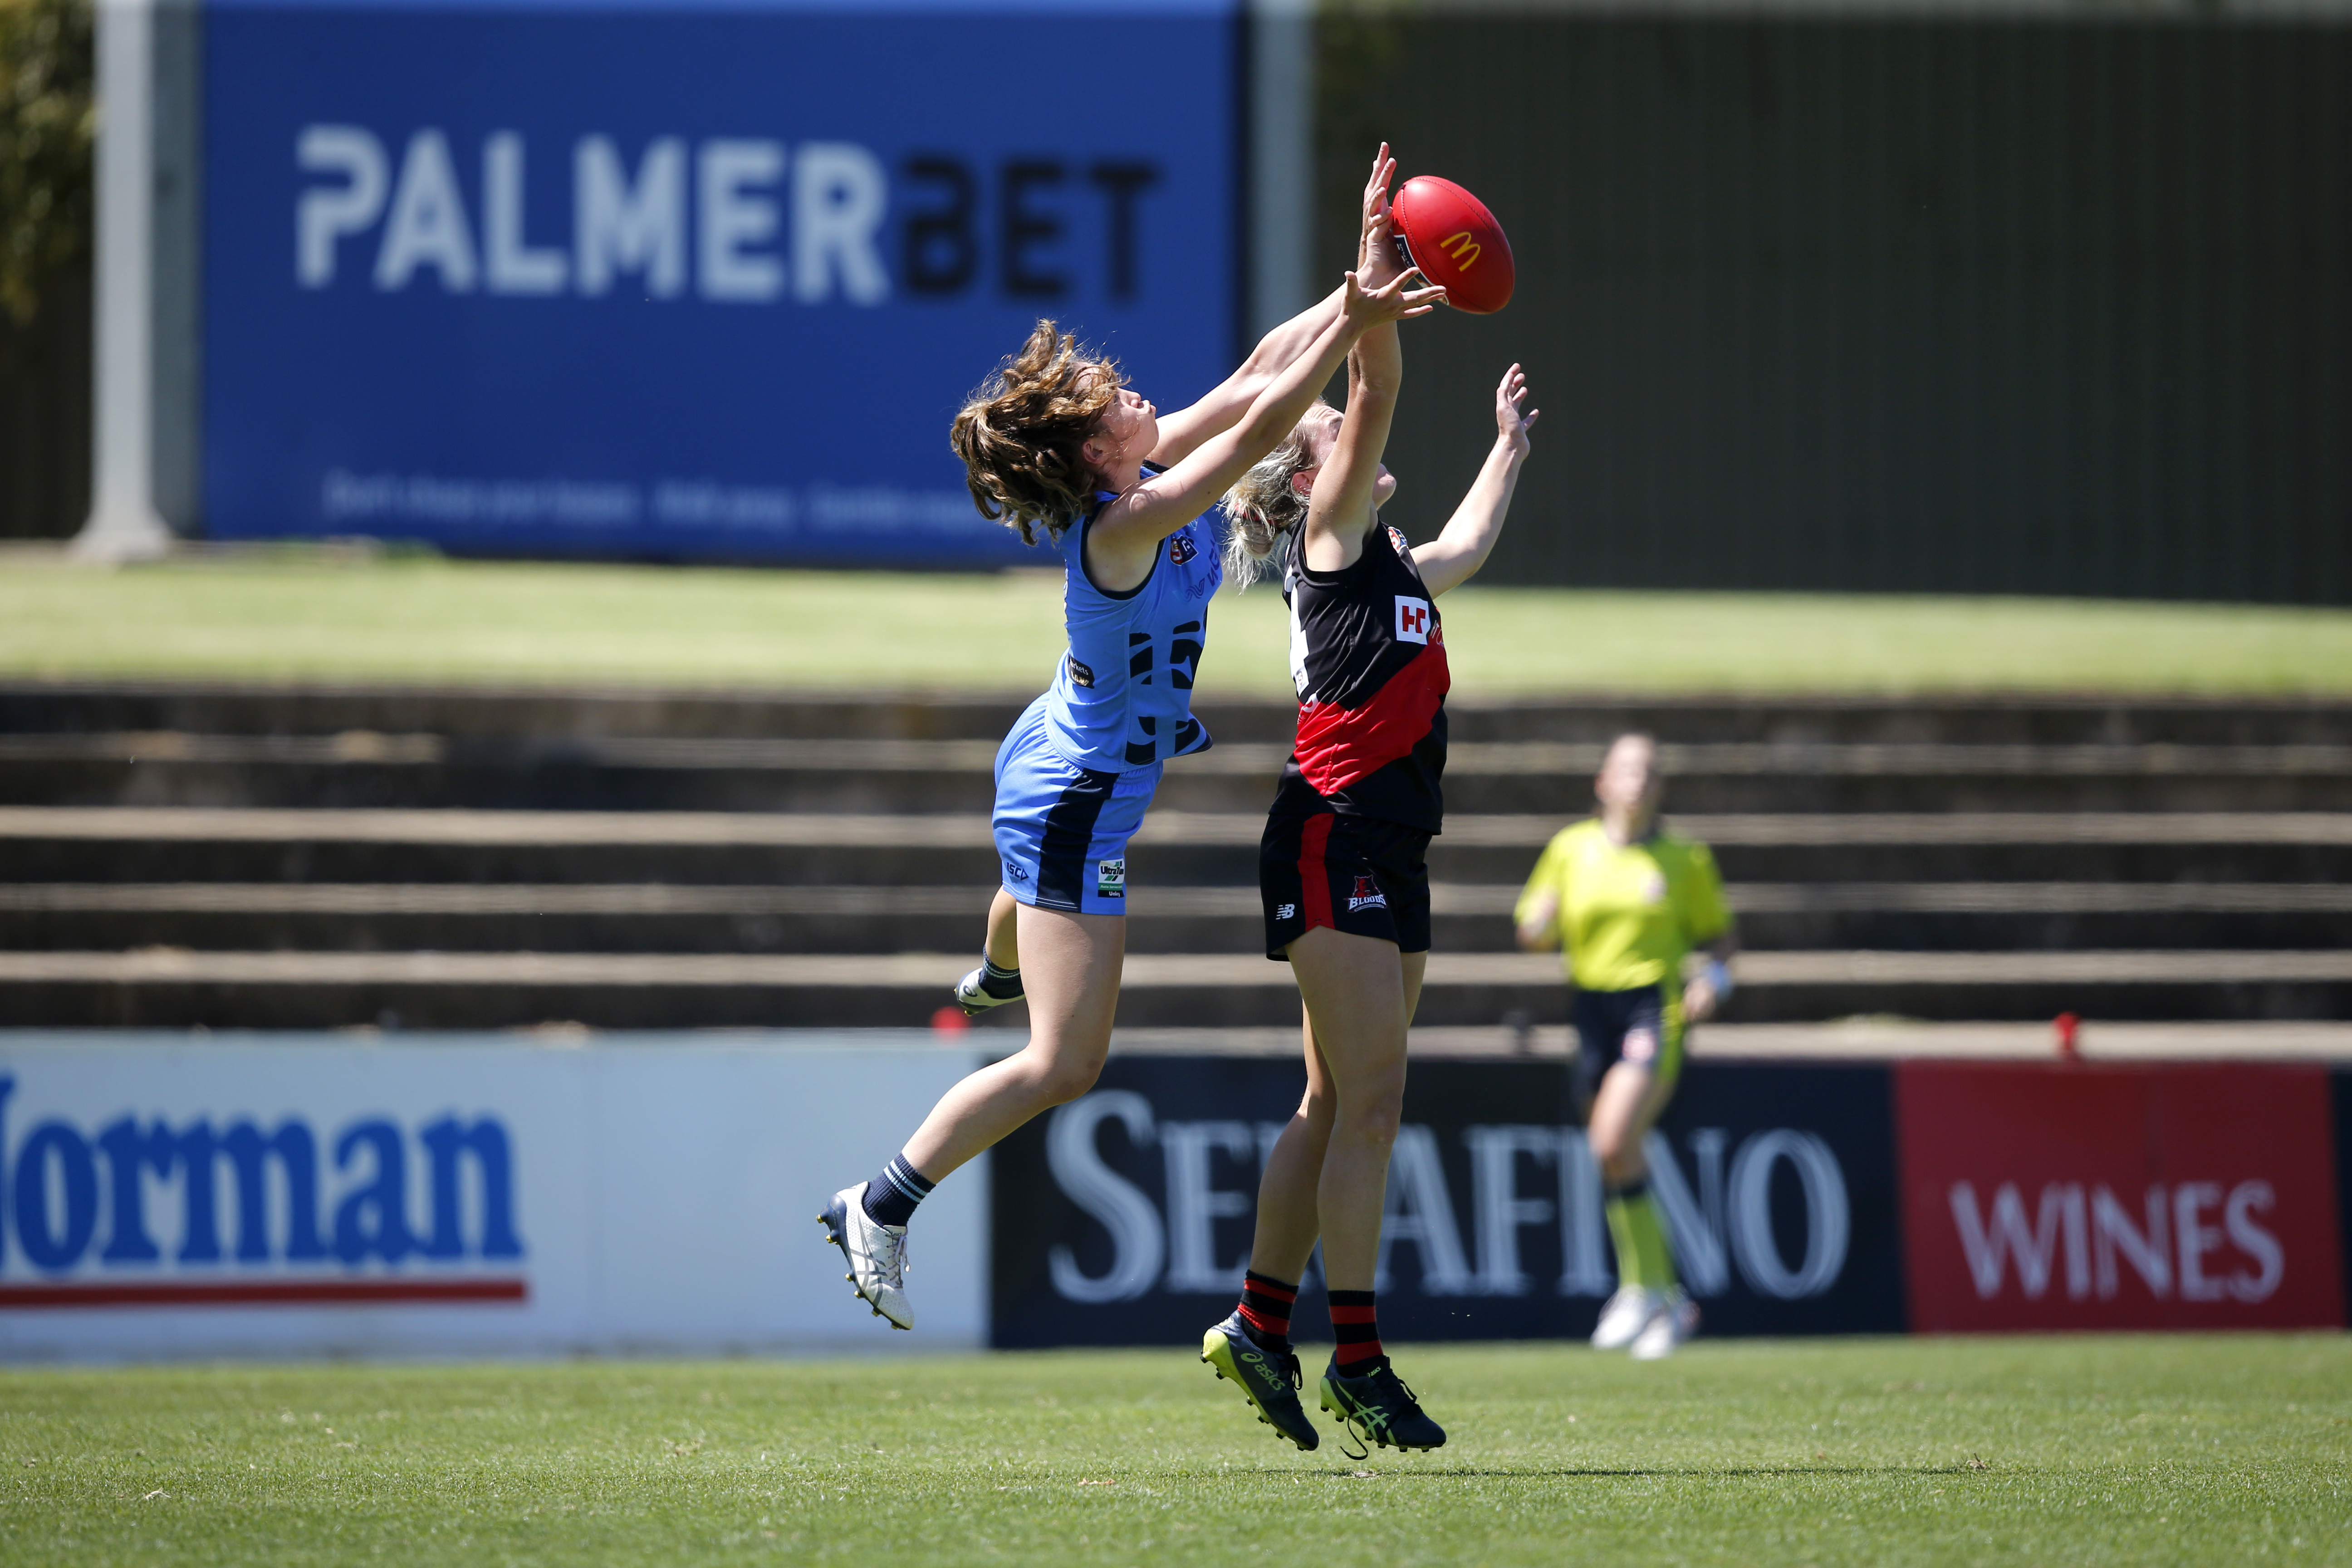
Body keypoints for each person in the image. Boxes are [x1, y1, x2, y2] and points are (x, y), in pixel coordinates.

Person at [820, 152, 1444, 1332]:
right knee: (1066, 1064)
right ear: (1099, 458)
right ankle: (884, 1200)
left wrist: (1355, 281)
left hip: (1051, 747)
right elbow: (1263, 415)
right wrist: (1355, 322)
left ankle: (1005, 952)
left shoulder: (1146, 474)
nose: (1138, 396)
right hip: (1073, 796)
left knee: (1028, 932)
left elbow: (1264, 372)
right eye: (1115, 403)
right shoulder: (1128, 523)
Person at [1197, 161, 1538, 1456]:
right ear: (1311, 472)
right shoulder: (1329, 532)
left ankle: (1255, 1324)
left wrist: (1505, 454)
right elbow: (1376, 383)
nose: (1361, 432)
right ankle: (1360, 1358)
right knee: (1374, 1099)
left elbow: (1463, 552)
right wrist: (1369, 262)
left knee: (1335, 1102)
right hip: (1336, 833)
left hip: (1389, 840)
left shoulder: (1389, 558)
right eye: (1336, 427)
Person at [1513, 732, 1737, 1361]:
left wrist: (1712, 982)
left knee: (1612, 1139)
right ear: (1603, 783)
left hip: (1651, 1006)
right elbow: (1534, 927)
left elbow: (1721, 941)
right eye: (1627, 770)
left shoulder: (1683, 859)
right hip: (1591, 1009)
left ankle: (1647, 1292)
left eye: (1650, 771)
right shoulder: (1571, 849)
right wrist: (1537, 925)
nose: (1638, 781)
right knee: (1618, 1155)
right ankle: (1657, 1291)